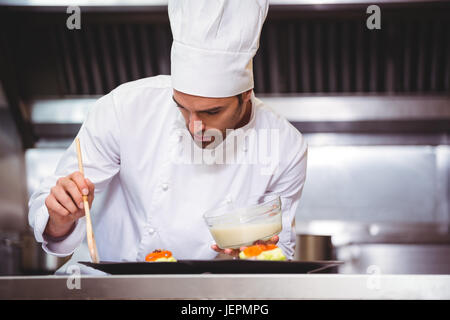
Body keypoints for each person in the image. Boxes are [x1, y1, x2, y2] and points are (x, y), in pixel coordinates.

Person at [28, 0, 307, 274]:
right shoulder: (126, 107)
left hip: (203, 299)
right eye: (182, 109)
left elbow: (276, 258)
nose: (194, 126)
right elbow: (48, 214)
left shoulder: (285, 146)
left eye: (211, 112)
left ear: (246, 95)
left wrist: (251, 256)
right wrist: (60, 215)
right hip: (105, 290)